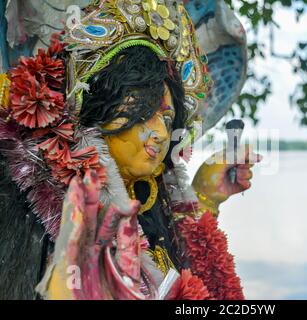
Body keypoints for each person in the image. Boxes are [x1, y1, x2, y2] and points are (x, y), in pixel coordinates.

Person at [0, 0, 258, 300]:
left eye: (166, 117)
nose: (160, 133)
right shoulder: (37, 211)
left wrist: (204, 195)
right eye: (142, 109)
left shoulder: (151, 209)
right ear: (91, 109)